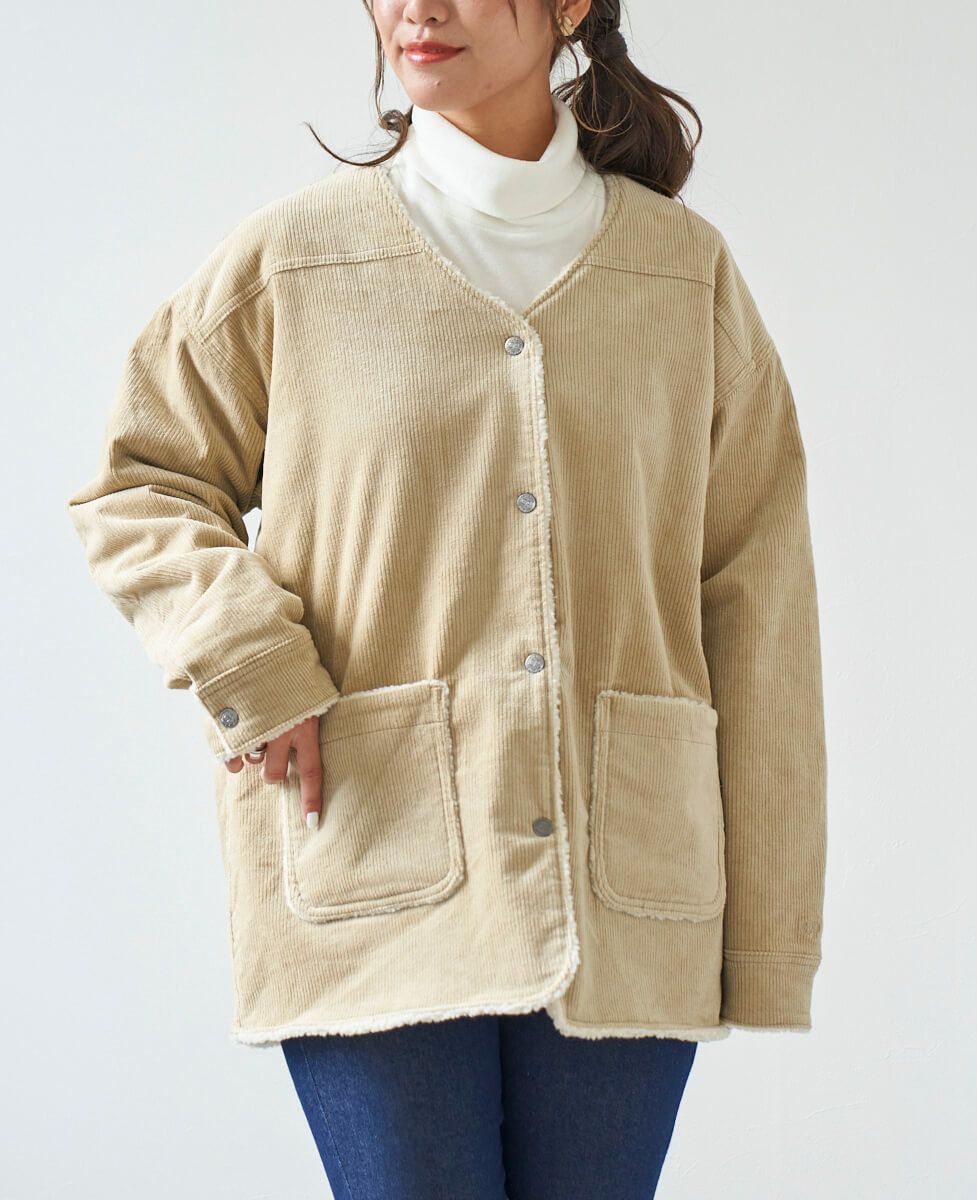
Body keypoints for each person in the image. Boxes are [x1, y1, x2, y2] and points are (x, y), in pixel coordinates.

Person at [66, 1, 828, 1196]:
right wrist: (252, 661)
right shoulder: (295, 263)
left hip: (627, 883)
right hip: (372, 859)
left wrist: (768, 936)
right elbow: (140, 481)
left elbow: (759, 597)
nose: (416, 8)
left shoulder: (683, 275)